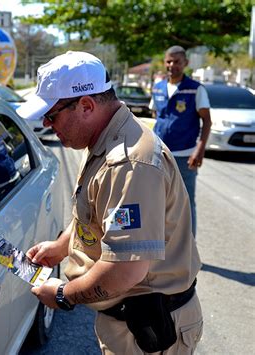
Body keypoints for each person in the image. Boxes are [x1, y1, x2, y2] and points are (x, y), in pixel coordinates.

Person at [17, 51, 202, 355]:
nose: (49, 125)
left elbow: (124, 272)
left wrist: (63, 295)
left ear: (86, 105)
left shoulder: (129, 162)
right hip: (134, 322)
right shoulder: (107, 139)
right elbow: (98, 214)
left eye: (52, 116)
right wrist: (62, 246)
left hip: (149, 331)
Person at [150, 45, 211, 237]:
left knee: (185, 202)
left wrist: (199, 150)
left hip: (185, 156)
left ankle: (188, 246)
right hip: (159, 155)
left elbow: (207, 121)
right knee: (157, 200)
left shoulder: (195, 89)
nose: (172, 65)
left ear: (185, 63)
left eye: (177, 61)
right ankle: (161, 243)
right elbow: (155, 114)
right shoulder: (158, 87)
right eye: (169, 61)